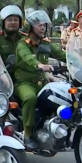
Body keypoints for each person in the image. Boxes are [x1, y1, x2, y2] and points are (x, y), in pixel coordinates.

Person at [14, 10, 67, 151]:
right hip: (25, 83)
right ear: (31, 27)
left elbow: (61, 55)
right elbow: (27, 57)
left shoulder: (46, 44)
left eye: (44, 25)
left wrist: (78, 60)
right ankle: (28, 134)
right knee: (30, 98)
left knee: (61, 94)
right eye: (39, 25)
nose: (42, 27)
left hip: (42, 83)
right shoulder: (22, 44)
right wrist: (40, 65)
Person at [0, 5, 25, 80]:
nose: (13, 22)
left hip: (22, 77)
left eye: (16, 20)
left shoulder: (25, 38)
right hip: (2, 77)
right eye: (9, 20)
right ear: (3, 22)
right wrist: (1, 74)